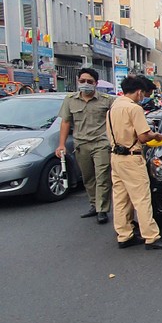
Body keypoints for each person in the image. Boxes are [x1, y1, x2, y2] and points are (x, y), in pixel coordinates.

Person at [107, 76, 162, 250]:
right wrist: (157, 136)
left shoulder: (113, 108)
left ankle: (124, 235)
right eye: (143, 94)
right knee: (142, 199)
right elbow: (143, 136)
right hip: (132, 158)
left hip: (116, 157)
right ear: (139, 92)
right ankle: (151, 237)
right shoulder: (134, 109)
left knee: (120, 198)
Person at [56, 68, 114, 224]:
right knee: (88, 178)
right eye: (82, 81)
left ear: (95, 84)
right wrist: (61, 145)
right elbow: (66, 122)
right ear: (77, 81)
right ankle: (94, 205)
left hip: (101, 143)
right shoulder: (70, 100)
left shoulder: (107, 100)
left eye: (89, 82)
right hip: (81, 144)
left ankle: (102, 210)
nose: (85, 84)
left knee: (102, 176)